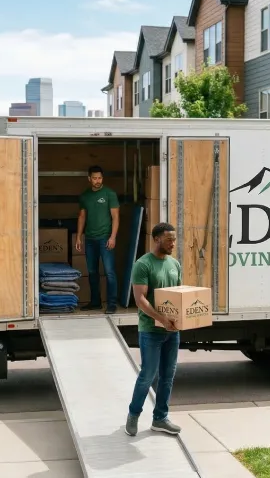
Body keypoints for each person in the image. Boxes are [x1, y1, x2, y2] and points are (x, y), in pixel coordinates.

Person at [125, 222, 183, 437]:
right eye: (169, 240)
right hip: (151, 330)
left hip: (172, 332)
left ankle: (160, 418)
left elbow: (178, 297)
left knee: (168, 376)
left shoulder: (174, 264)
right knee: (148, 375)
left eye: (174, 240)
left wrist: (179, 320)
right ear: (157, 239)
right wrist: (161, 318)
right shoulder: (143, 264)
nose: (173, 244)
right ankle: (133, 415)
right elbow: (140, 300)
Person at [74, 165, 120, 313]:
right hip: (90, 239)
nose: (97, 181)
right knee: (92, 271)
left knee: (109, 272)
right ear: (89, 179)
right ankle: (95, 302)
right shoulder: (85, 196)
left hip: (105, 238)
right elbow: (81, 217)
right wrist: (79, 237)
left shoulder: (109, 194)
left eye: (99, 178)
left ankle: (112, 304)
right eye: (94, 178)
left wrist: (113, 237)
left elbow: (116, 217)